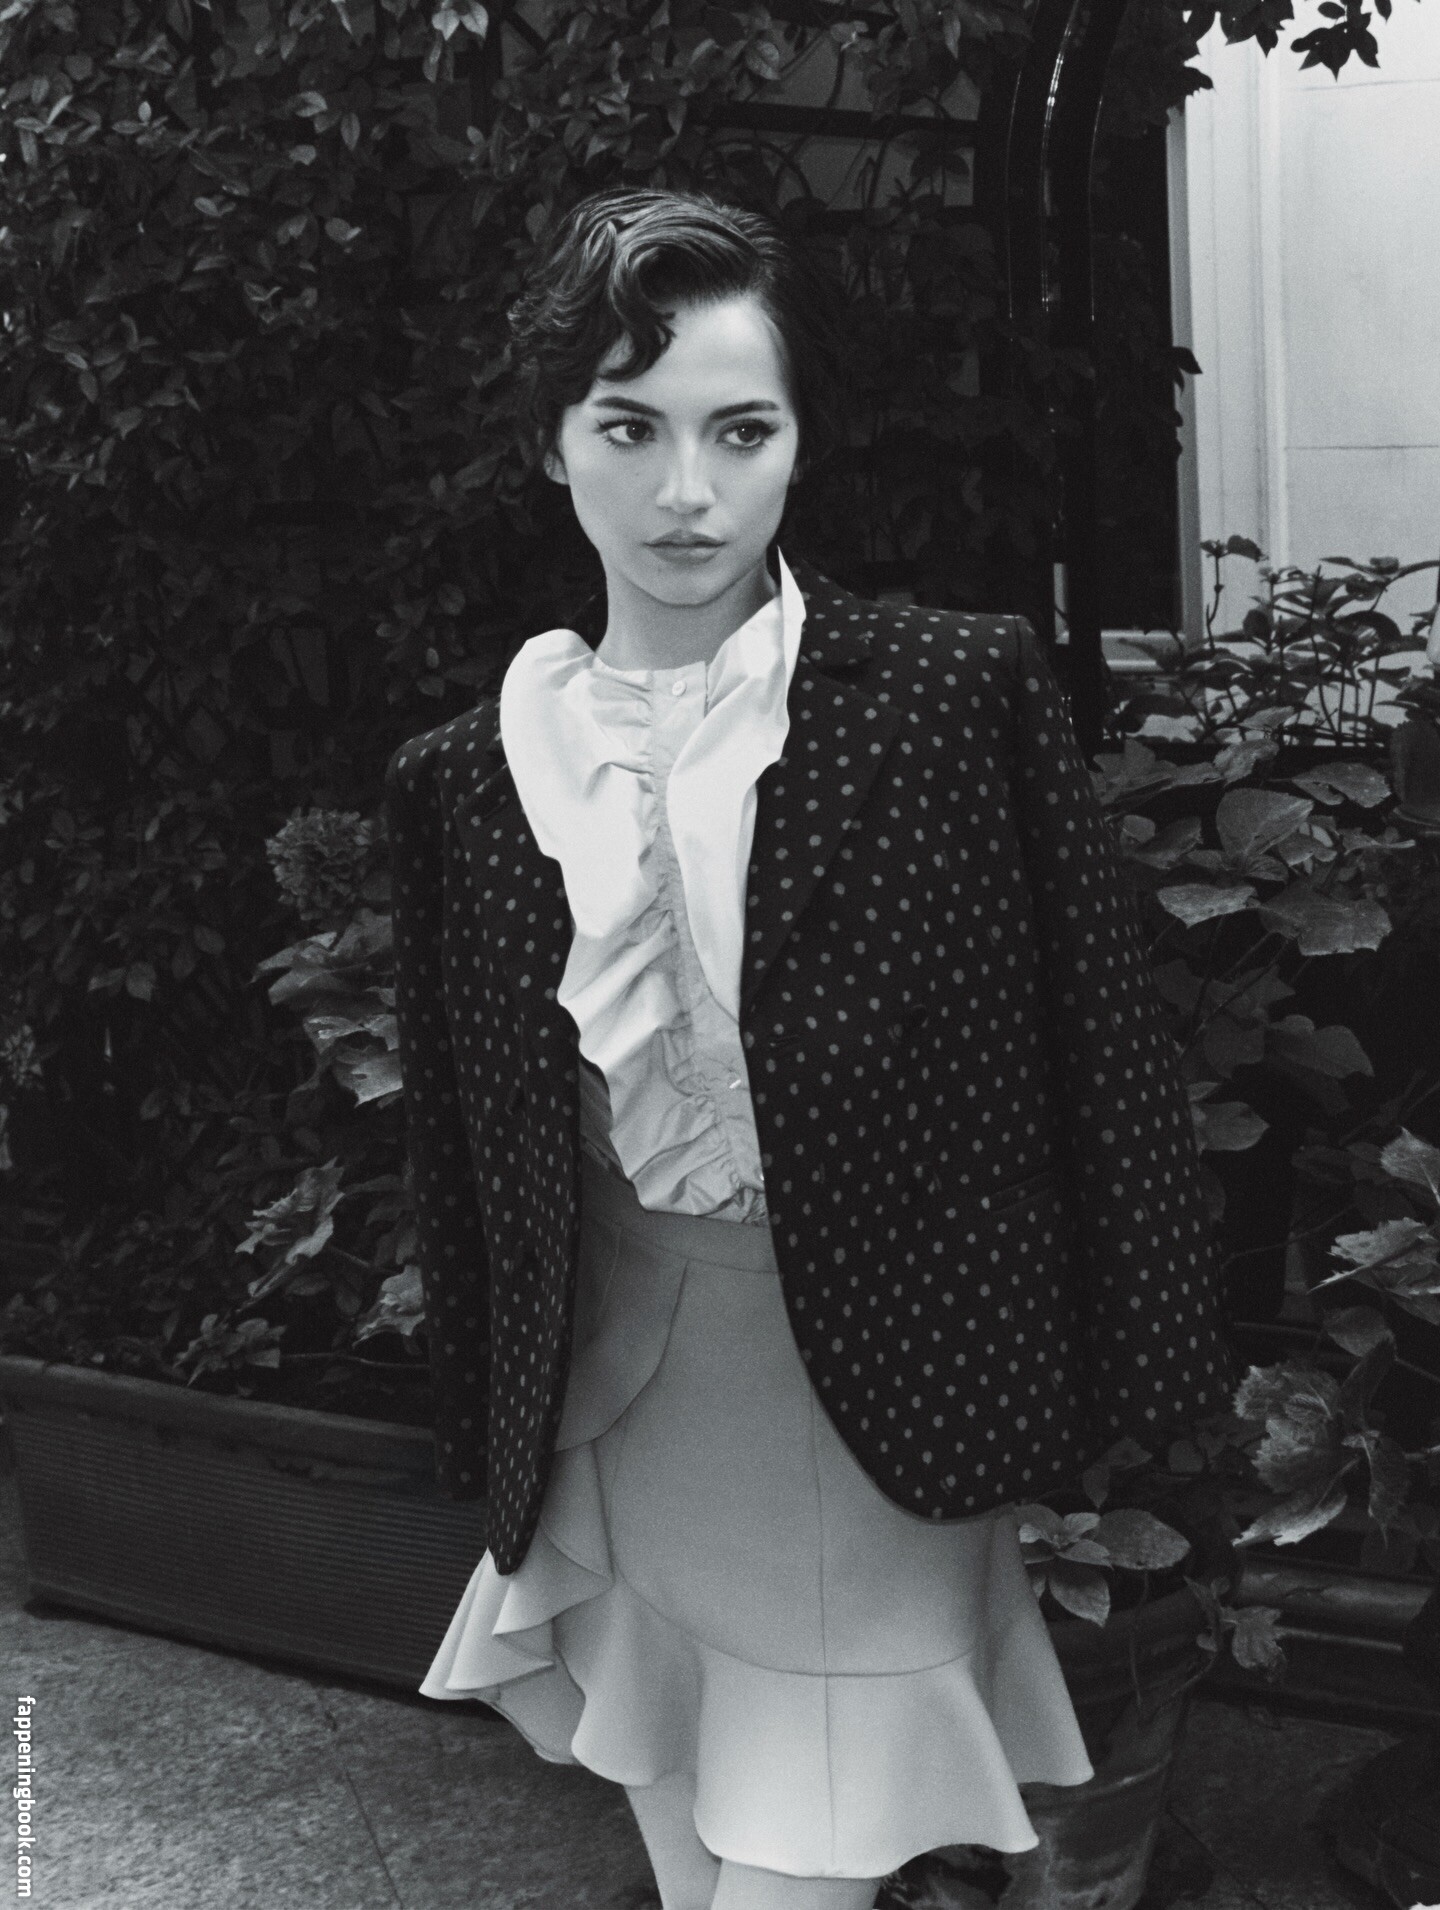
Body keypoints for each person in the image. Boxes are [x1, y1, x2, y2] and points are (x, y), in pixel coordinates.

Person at [386, 187, 1234, 1910]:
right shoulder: (469, 773)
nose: (685, 494)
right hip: (609, 1408)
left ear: (801, 440)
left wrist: (1157, 1398)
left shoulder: (949, 694)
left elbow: (1102, 1056)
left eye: (740, 430)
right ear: (552, 444)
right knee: (694, 1856)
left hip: (879, 1409)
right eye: (628, 427)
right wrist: (480, 1426)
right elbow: (465, 1150)